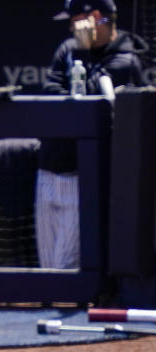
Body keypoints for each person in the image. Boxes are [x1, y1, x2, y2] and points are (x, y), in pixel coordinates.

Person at [36, 0, 146, 268]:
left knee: (66, 265)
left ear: (95, 17)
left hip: (86, 176)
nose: (72, 27)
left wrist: (83, 62)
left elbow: (93, 100)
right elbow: (51, 91)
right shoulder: (67, 48)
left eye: (75, 20)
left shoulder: (126, 58)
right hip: (50, 167)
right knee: (48, 265)